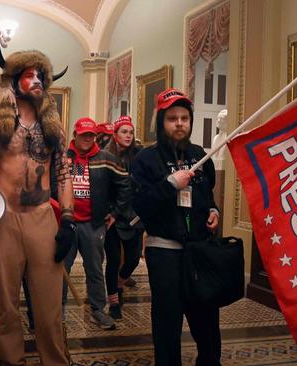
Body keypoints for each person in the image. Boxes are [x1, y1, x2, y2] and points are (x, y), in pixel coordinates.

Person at [0, 47, 74, 365]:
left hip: (43, 218)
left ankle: (55, 361)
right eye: (28, 74)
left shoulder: (53, 128)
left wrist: (68, 220)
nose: (36, 80)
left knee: (49, 308)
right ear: (14, 80)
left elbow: (64, 173)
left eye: (40, 75)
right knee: (6, 306)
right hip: (3, 218)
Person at [132, 88, 221, 366]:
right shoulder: (145, 159)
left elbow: (207, 195)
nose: (179, 123)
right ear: (161, 122)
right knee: (167, 321)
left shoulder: (199, 155)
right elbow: (141, 205)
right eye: (172, 118)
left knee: (207, 318)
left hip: (200, 252)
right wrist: (170, 184)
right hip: (165, 252)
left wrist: (214, 211)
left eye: (184, 118)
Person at [63, 117, 132, 330]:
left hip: (94, 224)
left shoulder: (107, 158)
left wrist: (115, 213)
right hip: (66, 223)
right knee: (61, 270)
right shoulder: (63, 157)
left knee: (94, 268)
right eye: (83, 135)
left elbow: (125, 185)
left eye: (91, 135)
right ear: (75, 135)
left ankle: (97, 311)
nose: (87, 138)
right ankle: (58, 312)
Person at [103, 115, 144, 320]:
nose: (128, 136)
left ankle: (120, 284)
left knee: (133, 260)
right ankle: (114, 302)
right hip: (112, 216)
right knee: (113, 260)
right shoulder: (106, 155)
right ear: (115, 134)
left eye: (131, 132)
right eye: (124, 132)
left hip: (135, 215)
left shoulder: (139, 155)